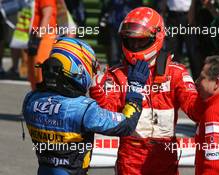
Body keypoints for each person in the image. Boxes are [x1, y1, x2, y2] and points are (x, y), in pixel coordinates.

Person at [90, 7, 203, 175]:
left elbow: (196, 111)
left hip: (166, 164)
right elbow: (105, 118)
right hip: (130, 165)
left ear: (157, 36)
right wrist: (97, 90)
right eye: (130, 41)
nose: (134, 45)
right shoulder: (117, 75)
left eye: (140, 40)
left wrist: (213, 96)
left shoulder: (176, 73)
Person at [22, 37, 150, 175]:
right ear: (78, 68)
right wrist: (135, 89)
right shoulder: (83, 109)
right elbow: (127, 125)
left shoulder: (30, 99)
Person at [27, 0, 57, 90]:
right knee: (33, 71)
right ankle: (36, 94)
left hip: (44, 35)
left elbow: (47, 14)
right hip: (34, 34)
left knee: (40, 68)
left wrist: (38, 39)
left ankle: (42, 96)